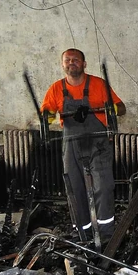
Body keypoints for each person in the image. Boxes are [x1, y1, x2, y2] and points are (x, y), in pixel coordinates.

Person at [41, 49, 126, 242]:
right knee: (75, 188)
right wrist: (47, 117)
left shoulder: (98, 84)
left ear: (84, 64)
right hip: (71, 144)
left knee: (103, 186)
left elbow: (121, 108)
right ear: (63, 64)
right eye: (67, 60)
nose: (71, 63)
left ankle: (106, 234)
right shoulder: (56, 89)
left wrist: (110, 108)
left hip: (98, 143)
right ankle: (83, 233)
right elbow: (48, 113)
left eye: (76, 60)